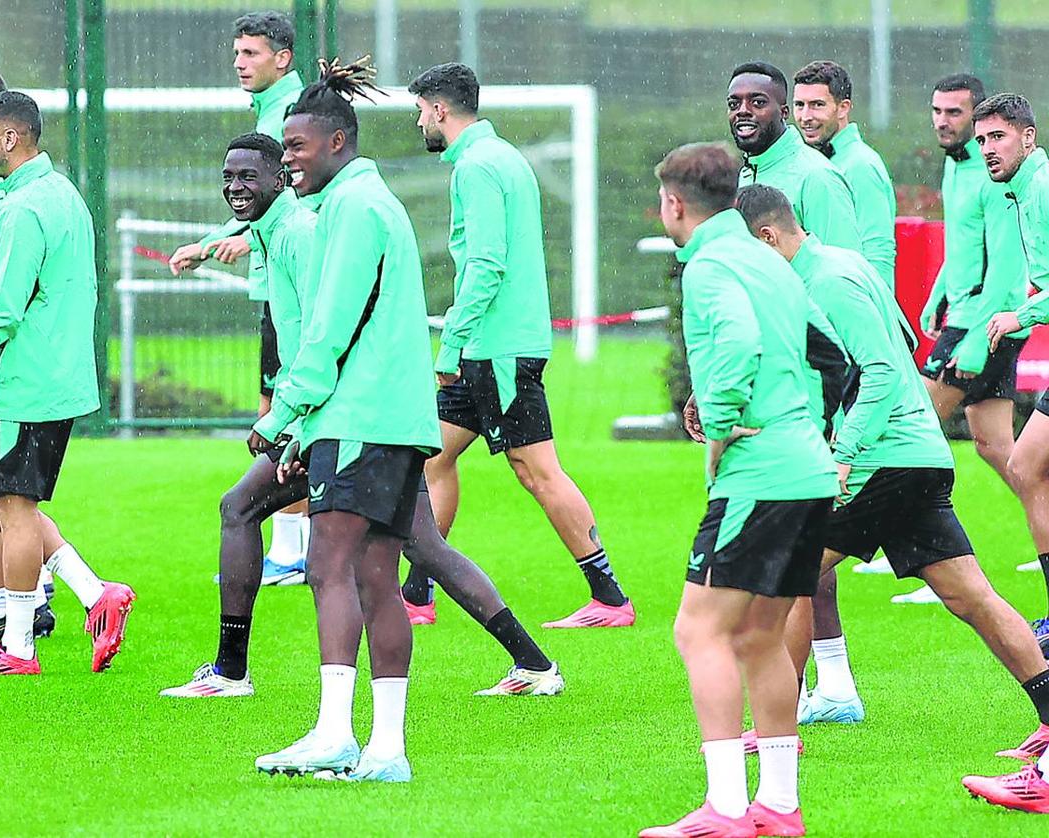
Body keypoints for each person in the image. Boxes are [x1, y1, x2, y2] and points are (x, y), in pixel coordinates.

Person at [160, 131, 561, 700]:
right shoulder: (284, 228)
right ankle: (535, 663)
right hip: (365, 412)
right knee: (420, 548)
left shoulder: (303, 235)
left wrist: (291, 425)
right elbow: (259, 242)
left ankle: (233, 673)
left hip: (344, 415)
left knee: (260, 520)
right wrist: (206, 246)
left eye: (250, 176)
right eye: (228, 177)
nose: (235, 187)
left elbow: (325, 339)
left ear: (284, 176)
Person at [735, 184, 1049, 817]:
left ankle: (778, 730)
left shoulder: (829, 281)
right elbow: (899, 340)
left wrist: (844, 450)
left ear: (767, 237)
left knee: (786, 578)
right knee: (972, 597)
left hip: (885, 461)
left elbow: (880, 366)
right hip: (915, 455)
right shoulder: (839, 266)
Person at [244, 59, 441, 783]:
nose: (286, 160)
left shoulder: (354, 210)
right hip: (391, 417)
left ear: (336, 142)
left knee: (329, 566)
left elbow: (333, 325)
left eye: (295, 147)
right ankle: (385, 749)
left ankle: (335, 734)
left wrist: (285, 416)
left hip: (359, 417)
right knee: (374, 578)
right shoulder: (366, 203)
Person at [639, 143, 836, 838]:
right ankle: (779, 807)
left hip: (761, 476)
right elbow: (828, 355)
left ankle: (725, 809)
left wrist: (718, 416)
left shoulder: (712, 264)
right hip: (808, 470)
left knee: (698, 630)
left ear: (674, 203)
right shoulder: (766, 256)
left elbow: (741, 339)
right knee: (759, 637)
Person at [399, 62, 634, 629]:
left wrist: (451, 343)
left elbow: (485, 264)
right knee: (430, 457)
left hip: (494, 350)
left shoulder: (478, 167)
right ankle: (416, 596)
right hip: (492, 345)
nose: (418, 123)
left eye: (418, 112)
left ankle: (609, 598)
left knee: (538, 472)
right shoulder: (498, 156)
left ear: (438, 109)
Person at [0, 91, 135, 675]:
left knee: (11, 509)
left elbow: (3, 307)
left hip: (25, 380)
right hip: (55, 374)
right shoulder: (59, 195)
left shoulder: (21, 207)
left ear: (10, 139)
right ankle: (95, 594)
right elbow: (14, 257)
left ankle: (17, 647)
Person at [167, 12, 309, 583]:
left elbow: (285, 206)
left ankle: (294, 545)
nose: (239, 63)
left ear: (283, 58)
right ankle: (301, 543)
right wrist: (216, 242)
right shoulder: (274, 110)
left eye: (250, 53)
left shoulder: (286, 116)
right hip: (280, 290)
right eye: (237, 53)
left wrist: (222, 242)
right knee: (279, 408)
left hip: (289, 294)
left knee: (280, 412)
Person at [896, 75, 1032, 604]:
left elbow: (1009, 264)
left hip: (984, 326)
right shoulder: (957, 169)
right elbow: (964, 244)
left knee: (911, 427)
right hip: (965, 318)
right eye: (937, 111)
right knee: (998, 448)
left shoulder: (996, 177)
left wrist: (976, 342)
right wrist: (937, 294)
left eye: (955, 113)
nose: (942, 122)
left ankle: (934, 557)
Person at [980, 93, 1049, 659]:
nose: (987, 149)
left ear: (1027, 138)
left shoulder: (1044, 188)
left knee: (1024, 464)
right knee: (1025, 465)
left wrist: (1020, 313)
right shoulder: (1024, 190)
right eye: (982, 141)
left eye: (997, 137)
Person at [728, 61, 862, 253]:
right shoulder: (746, 173)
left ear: (783, 112)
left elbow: (844, 269)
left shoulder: (817, 176)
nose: (742, 111)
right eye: (734, 104)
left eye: (758, 102)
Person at [792, 60, 897, 286]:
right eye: (799, 105)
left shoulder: (861, 165)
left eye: (817, 105)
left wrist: (871, 314)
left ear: (843, 107)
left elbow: (878, 252)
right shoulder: (811, 161)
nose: (805, 116)